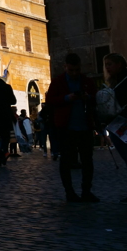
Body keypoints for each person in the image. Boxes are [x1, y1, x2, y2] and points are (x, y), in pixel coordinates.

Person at [45, 53, 98, 202]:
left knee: (87, 161)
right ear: (65, 67)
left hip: (85, 125)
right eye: (71, 70)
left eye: (77, 70)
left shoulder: (86, 81)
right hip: (66, 127)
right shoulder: (58, 82)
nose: (74, 73)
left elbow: (95, 98)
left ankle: (86, 191)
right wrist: (67, 98)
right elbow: (50, 101)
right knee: (66, 161)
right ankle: (70, 192)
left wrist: (88, 97)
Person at [104, 53, 127, 203]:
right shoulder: (113, 83)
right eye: (106, 65)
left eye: (110, 64)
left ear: (119, 64)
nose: (107, 67)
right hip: (118, 126)